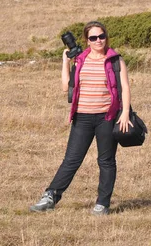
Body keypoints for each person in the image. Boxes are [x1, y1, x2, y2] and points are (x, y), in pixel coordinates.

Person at [30, 21, 132, 216]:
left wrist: (125, 112)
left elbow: (125, 87)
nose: (98, 41)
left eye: (101, 36)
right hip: (82, 118)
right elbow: (66, 87)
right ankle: (50, 197)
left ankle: (102, 204)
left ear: (106, 37)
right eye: (93, 38)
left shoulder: (115, 60)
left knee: (106, 161)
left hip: (107, 117)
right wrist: (65, 62)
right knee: (71, 160)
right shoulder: (80, 60)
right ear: (87, 41)